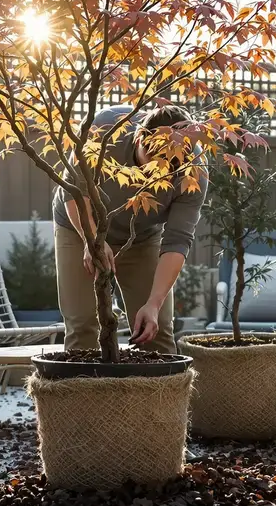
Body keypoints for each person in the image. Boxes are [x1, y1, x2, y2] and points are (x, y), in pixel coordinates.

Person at [52, 104, 207, 354]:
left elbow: (178, 241)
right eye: (154, 159)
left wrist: (154, 304)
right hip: (80, 226)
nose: (159, 172)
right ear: (138, 139)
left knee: (156, 328)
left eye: (172, 163)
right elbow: (73, 191)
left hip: (142, 237)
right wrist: (92, 240)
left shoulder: (194, 172)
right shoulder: (105, 129)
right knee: (83, 325)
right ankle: (85, 381)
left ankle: (154, 382)